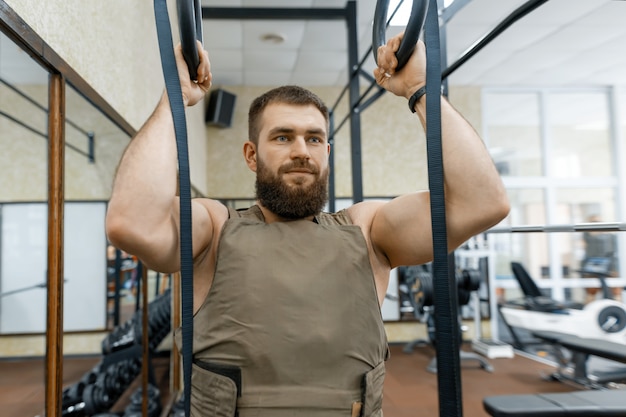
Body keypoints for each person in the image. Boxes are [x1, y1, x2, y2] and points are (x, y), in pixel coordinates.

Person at [105, 33, 509, 416]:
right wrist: (172, 98)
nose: (302, 151)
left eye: (314, 139)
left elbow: (482, 203)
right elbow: (132, 221)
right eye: (282, 137)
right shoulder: (214, 229)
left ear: (327, 152)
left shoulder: (368, 231)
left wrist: (422, 90)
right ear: (251, 154)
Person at [581, 215, 621, 302]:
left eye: (598, 222)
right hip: (592, 269)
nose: (596, 224)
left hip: (611, 269)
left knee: (616, 294)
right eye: (593, 222)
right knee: (591, 294)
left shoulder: (611, 236)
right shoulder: (587, 235)